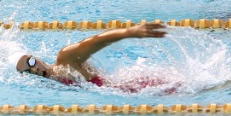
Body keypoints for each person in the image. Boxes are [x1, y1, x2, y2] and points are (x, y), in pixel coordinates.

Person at [15, 22, 168, 87]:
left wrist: (128, 32)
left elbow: (95, 41)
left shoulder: (65, 60)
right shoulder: (52, 84)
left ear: (38, 58)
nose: (34, 70)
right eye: (28, 71)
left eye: (32, 62)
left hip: (137, 89)